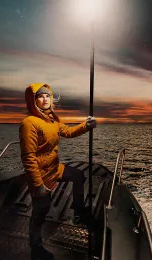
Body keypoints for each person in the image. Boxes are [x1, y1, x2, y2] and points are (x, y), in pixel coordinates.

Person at [19, 83, 97, 260]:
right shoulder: (29, 123)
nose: (45, 99)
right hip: (39, 175)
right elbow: (28, 157)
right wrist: (38, 185)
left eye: (48, 96)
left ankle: (78, 213)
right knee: (41, 211)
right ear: (33, 100)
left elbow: (68, 132)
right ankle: (36, 248)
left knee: (78, 176)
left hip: (55, 169)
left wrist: (86, 125)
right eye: (40, 96)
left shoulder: (52, 119)